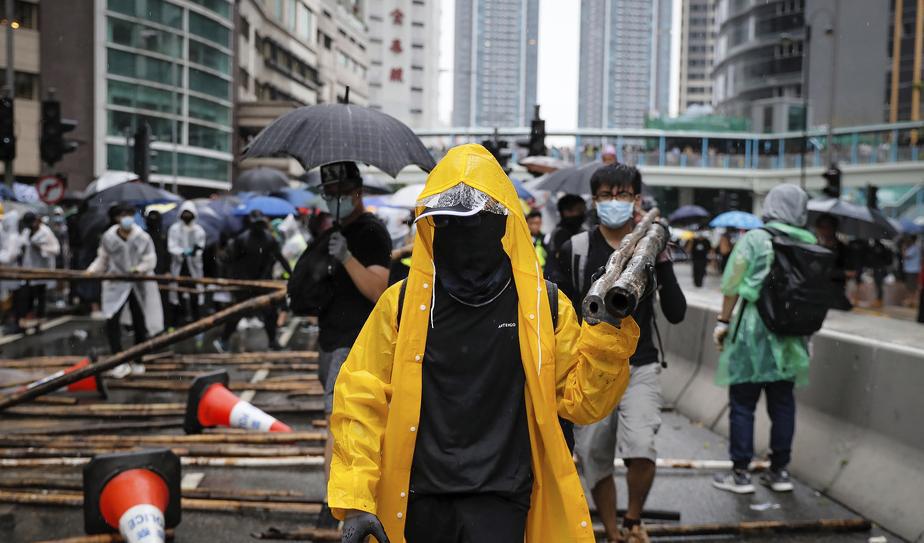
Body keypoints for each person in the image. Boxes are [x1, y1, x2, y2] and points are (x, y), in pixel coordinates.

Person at [329, 144, 639, 543]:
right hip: (420, 498)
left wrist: (607, 333)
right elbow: (360, 399)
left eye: (475, 220)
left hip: (503, 500)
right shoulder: (403, 306)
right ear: (433, 225)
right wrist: (356, 498)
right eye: (449, 221)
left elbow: (582, 401)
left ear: (501, 224)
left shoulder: (543, 307)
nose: (462, 233)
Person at [556, 164, 686, 543]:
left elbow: (677, 313)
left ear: (637, 200)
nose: (614, 202)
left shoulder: (651, 246)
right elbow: (559, 311)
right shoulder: (575, 250)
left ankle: (632, 520)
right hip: (592, 367)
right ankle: (613, 532)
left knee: (642, 446)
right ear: (594, 201)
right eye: (606, 195)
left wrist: (660, 259)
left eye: (623, 195)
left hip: (640, 364)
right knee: (595, 457)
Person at [711, 184, 815, 495]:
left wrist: (723, 322)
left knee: (743, 403)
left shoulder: (756, 238)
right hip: (793, 338)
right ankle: (780, 470)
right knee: (783, 403)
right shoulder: (808, 241)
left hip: (753, 334)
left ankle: (741, 474)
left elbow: (732, 284)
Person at [313, 161, 391, 528]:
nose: (335, 200)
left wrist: (346, 257)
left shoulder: (372, 232)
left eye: (341, 193)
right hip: (330, 340)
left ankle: (337, 505)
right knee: (337, 420)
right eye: (329, 194)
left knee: (341, 423)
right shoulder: (336, 229)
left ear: (358, 193)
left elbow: (378, 291)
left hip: (355, 343)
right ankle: (339, 500)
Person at [87, 204, 163, 378]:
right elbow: (102, 259)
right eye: (123, 214)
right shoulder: (109, 237)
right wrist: (92, 271)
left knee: (139, 322)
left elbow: (150, 259)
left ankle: (138, 359)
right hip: (115, 283)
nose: (127, 218)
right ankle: (117, 360)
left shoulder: (142, 237)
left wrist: (140, 268)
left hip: (137, 283)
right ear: (115, 218)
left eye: (129, 214)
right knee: (112, 320)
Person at [214, 210, 291, 352]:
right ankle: (223, 340)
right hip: (245, 283)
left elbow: (280, 257)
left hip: (262, 283)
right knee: (238, 312)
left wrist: (292, 274)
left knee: (269, 313)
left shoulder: (269, 239)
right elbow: (228, 259)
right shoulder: (241, 239)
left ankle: (272, 341)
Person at [12, 212, 61, 333]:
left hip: (42, 270)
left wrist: (41, 248)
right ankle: (26, 323)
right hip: (28, 270)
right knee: (27, 297)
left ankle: (39, 324)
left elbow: (56, 249)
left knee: (40, 298)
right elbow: (21, 243)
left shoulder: (46, 232)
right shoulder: (27, 231)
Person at [167, 201, 207, 326]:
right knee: (177, 293)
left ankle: (196, 321)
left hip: (193, 268)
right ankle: (178, 321)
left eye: (189, 213)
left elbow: (200, 246)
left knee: (194, 293)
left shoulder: (198, 230)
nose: (187, 215)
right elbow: (171, 246)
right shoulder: (174, 229)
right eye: (185, 213)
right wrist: (182, 252)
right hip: (179, 266)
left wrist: (194, 252)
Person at [814, 213, 852, 310]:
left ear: (834, 228)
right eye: (821, 227)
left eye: (827, 227)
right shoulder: (815, 248)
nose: (823, 230)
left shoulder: (843, 249)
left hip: (836, 296)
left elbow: (850, 272)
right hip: (816, 296)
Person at [547, 193, 587, 259]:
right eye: (579, 210)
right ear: (567, 212)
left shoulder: (575, 230)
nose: (583, 213)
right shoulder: (561, 233)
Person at [868, 239, 893, 308]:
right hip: (880, 268)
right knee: (879, 284)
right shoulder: (883, 247)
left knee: (878, 284)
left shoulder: (875, 248)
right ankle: (879, 299)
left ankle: (879, 299)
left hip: (878, 268)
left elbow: (872, 258)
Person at [902, 235, 921, 307]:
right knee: (911, 285)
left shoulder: (914, 248)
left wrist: (903, 249)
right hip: (911, 269)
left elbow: (906, 255)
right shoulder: (913, 247)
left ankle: (912, 300)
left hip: (912, 270)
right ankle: (912, 300)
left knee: (911, 286)